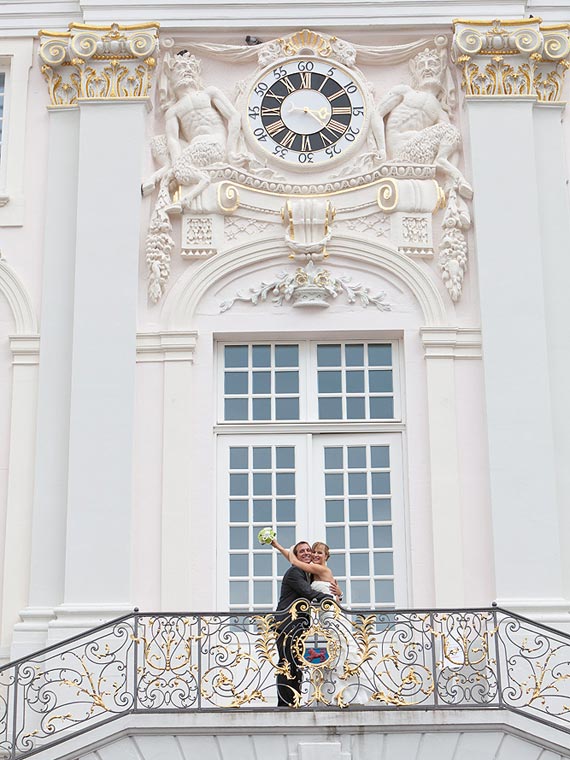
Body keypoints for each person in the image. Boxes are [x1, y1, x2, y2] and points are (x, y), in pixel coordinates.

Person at [372, 45, 472, 202]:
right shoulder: (405, 91)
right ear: (414, 70)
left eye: (432, 64)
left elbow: (454, 144)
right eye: (422, 65)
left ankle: (448, 174)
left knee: (452, 133)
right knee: (450, 131)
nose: (427, 69)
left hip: (421, 154)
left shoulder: (439, 110)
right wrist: (381, 150)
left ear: (440, 70)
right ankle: (449, 169)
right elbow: (377, 113)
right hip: (402, 150)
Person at [272, 540, 340, 707]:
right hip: (287, 624)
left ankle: (294, 701)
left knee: (297, 664)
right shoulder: (295, 571)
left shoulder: (308, 573)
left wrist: (339, 594)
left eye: (308, 550)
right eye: (301, 551)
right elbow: (308, 593)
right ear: (295, 556)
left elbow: (323, 587)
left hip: (299, 626)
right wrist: (331, 599)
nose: (307, 553)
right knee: (287, 663)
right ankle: (285, 704)